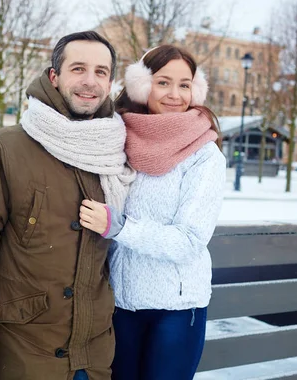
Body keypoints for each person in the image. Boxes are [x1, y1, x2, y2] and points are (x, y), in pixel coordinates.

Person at [0, 31, 136, 380]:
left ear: (110, 82)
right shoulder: (7, 147)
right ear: (54, 76)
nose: (89, 81)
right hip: (24, 351)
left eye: (101, 71)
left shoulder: (116, 152)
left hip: (94, 354)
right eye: (78, 68)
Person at [79, 45, 225, 380]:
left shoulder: (204, 156)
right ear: (142, 86)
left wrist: (120, 228)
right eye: (163, 82)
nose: (175, 94)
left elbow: (189, 239)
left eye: (185, 85)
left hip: (175, 308)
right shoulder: (117, 138)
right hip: (119, 302)